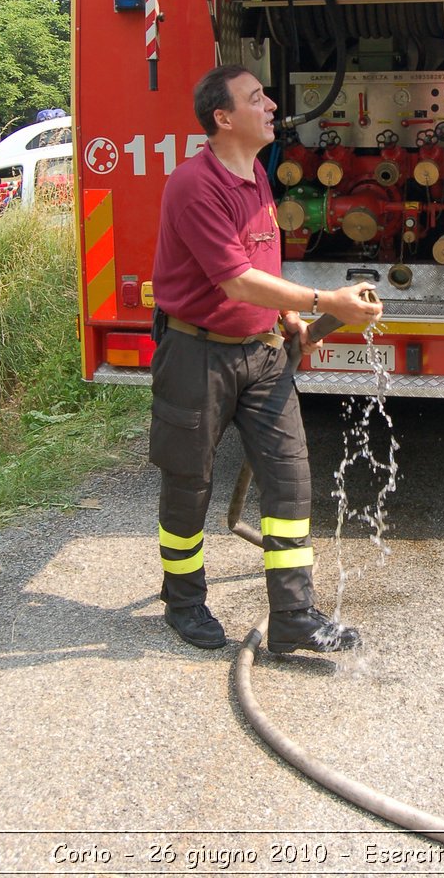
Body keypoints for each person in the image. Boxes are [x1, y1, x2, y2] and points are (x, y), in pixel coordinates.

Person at [150, 64, 382, 654]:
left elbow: (261, 265)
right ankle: (183, 602)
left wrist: (289, 318)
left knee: (289, 480)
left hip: (262, 353)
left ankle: (293, 618)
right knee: (189, 482)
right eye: (257, 98)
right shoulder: (193, 185)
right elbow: (234, 281)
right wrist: (324, 300)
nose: (272, 104)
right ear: (223, 118)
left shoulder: (255, 172)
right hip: (195, 356)